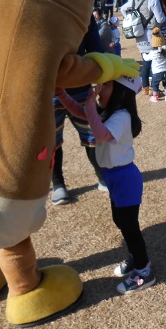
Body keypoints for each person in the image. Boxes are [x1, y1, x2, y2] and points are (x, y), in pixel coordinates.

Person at [55, 76, 156, 295]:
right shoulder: (108, 112)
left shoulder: (121, 116)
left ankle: (144, 271)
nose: (98, 90)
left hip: (125, 178)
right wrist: (62, 94)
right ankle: (134, 257)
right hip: (114, 177)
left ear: (121, 92)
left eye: (105, 86)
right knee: (119, 220)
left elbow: (100, 133)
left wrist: (90, 104)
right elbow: (81, 114)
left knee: (130, 227)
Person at [51, 15, 108, 206]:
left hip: (80, 86)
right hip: (47, 88)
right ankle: (58, 184)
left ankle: (102, 176)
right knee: (52, 142)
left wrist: (102, 73)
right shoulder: (38, 4)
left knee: (92, 136)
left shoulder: (81, 9)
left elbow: (95, 46)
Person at [120, 0, 166, 95]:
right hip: (152, 34)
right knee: (154, 61)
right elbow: (160, 19)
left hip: (139, 33)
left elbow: (123, 9)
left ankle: (146, 86)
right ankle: (154, 88)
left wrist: (134, 19)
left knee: (146, 61)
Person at [145, 27, 166, 102]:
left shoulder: (153, 52)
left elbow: (147, 58)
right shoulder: (165, 50)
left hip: (157, 72)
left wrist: (143, 54)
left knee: (155, 85)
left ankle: (155, 97)